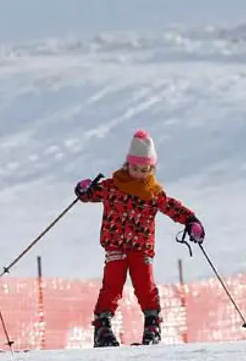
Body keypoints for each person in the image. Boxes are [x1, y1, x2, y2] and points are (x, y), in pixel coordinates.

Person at [74, 129, 204, 347]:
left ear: (151, 169)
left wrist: (190, 220)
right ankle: (102, 327)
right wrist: (83, 189)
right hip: (115, 246)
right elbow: (88, 195)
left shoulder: (152, 193)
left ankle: (152, 325)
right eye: (135, 168)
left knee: (145, 286)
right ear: (127, 165)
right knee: (112, 286)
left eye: (144, 170)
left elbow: (171, 207)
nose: (139, 174)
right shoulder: (112, 187)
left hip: (141, 248)